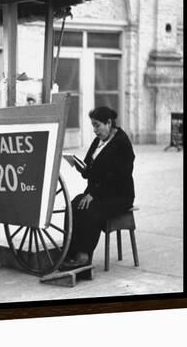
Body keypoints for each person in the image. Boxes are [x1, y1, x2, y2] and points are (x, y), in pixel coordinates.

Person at [61, 106, 135, 270]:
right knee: (73, 206)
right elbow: (90, 168)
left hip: (119, 195)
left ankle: (84, 256)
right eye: (93, 126)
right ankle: (69, 252)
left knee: (90, 210)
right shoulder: (99, 140)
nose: (95, 130)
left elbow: (119, 176)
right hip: (97, 192)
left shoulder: (122, 143)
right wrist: (81, 167)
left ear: (109, 123)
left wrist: (94, 194)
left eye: (97, 125)